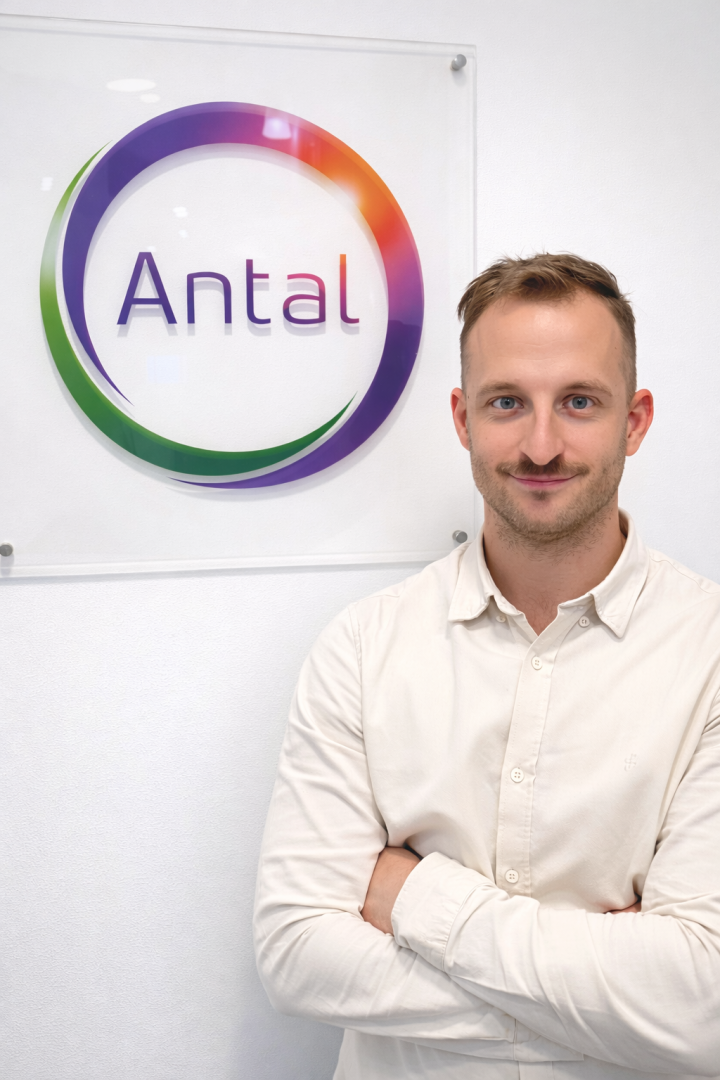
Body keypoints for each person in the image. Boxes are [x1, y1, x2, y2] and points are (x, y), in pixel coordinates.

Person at [253, 253, 720, 1080]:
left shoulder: (710, 652)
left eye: (579, 401)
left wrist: (412, 897)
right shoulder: (362, 648)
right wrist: (612, 1008)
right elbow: (298, 955)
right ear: (463, 418)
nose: (541, 445)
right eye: (507, 403)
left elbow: (702, 1005)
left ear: (635, 421)